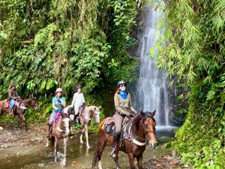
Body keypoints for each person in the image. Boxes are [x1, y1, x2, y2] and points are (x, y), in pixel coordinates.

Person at [111, 80, 138, 157]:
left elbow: (130, 106)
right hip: (120, 114)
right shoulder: (117, 95)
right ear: (119, 87)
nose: (123, 87)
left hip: (128, 113)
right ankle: (114, 146)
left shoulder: (128, 94)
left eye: (124, 85)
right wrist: (125, 113)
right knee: (118, 130)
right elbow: (117, 107)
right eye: (121, 86)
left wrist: (134, 111)